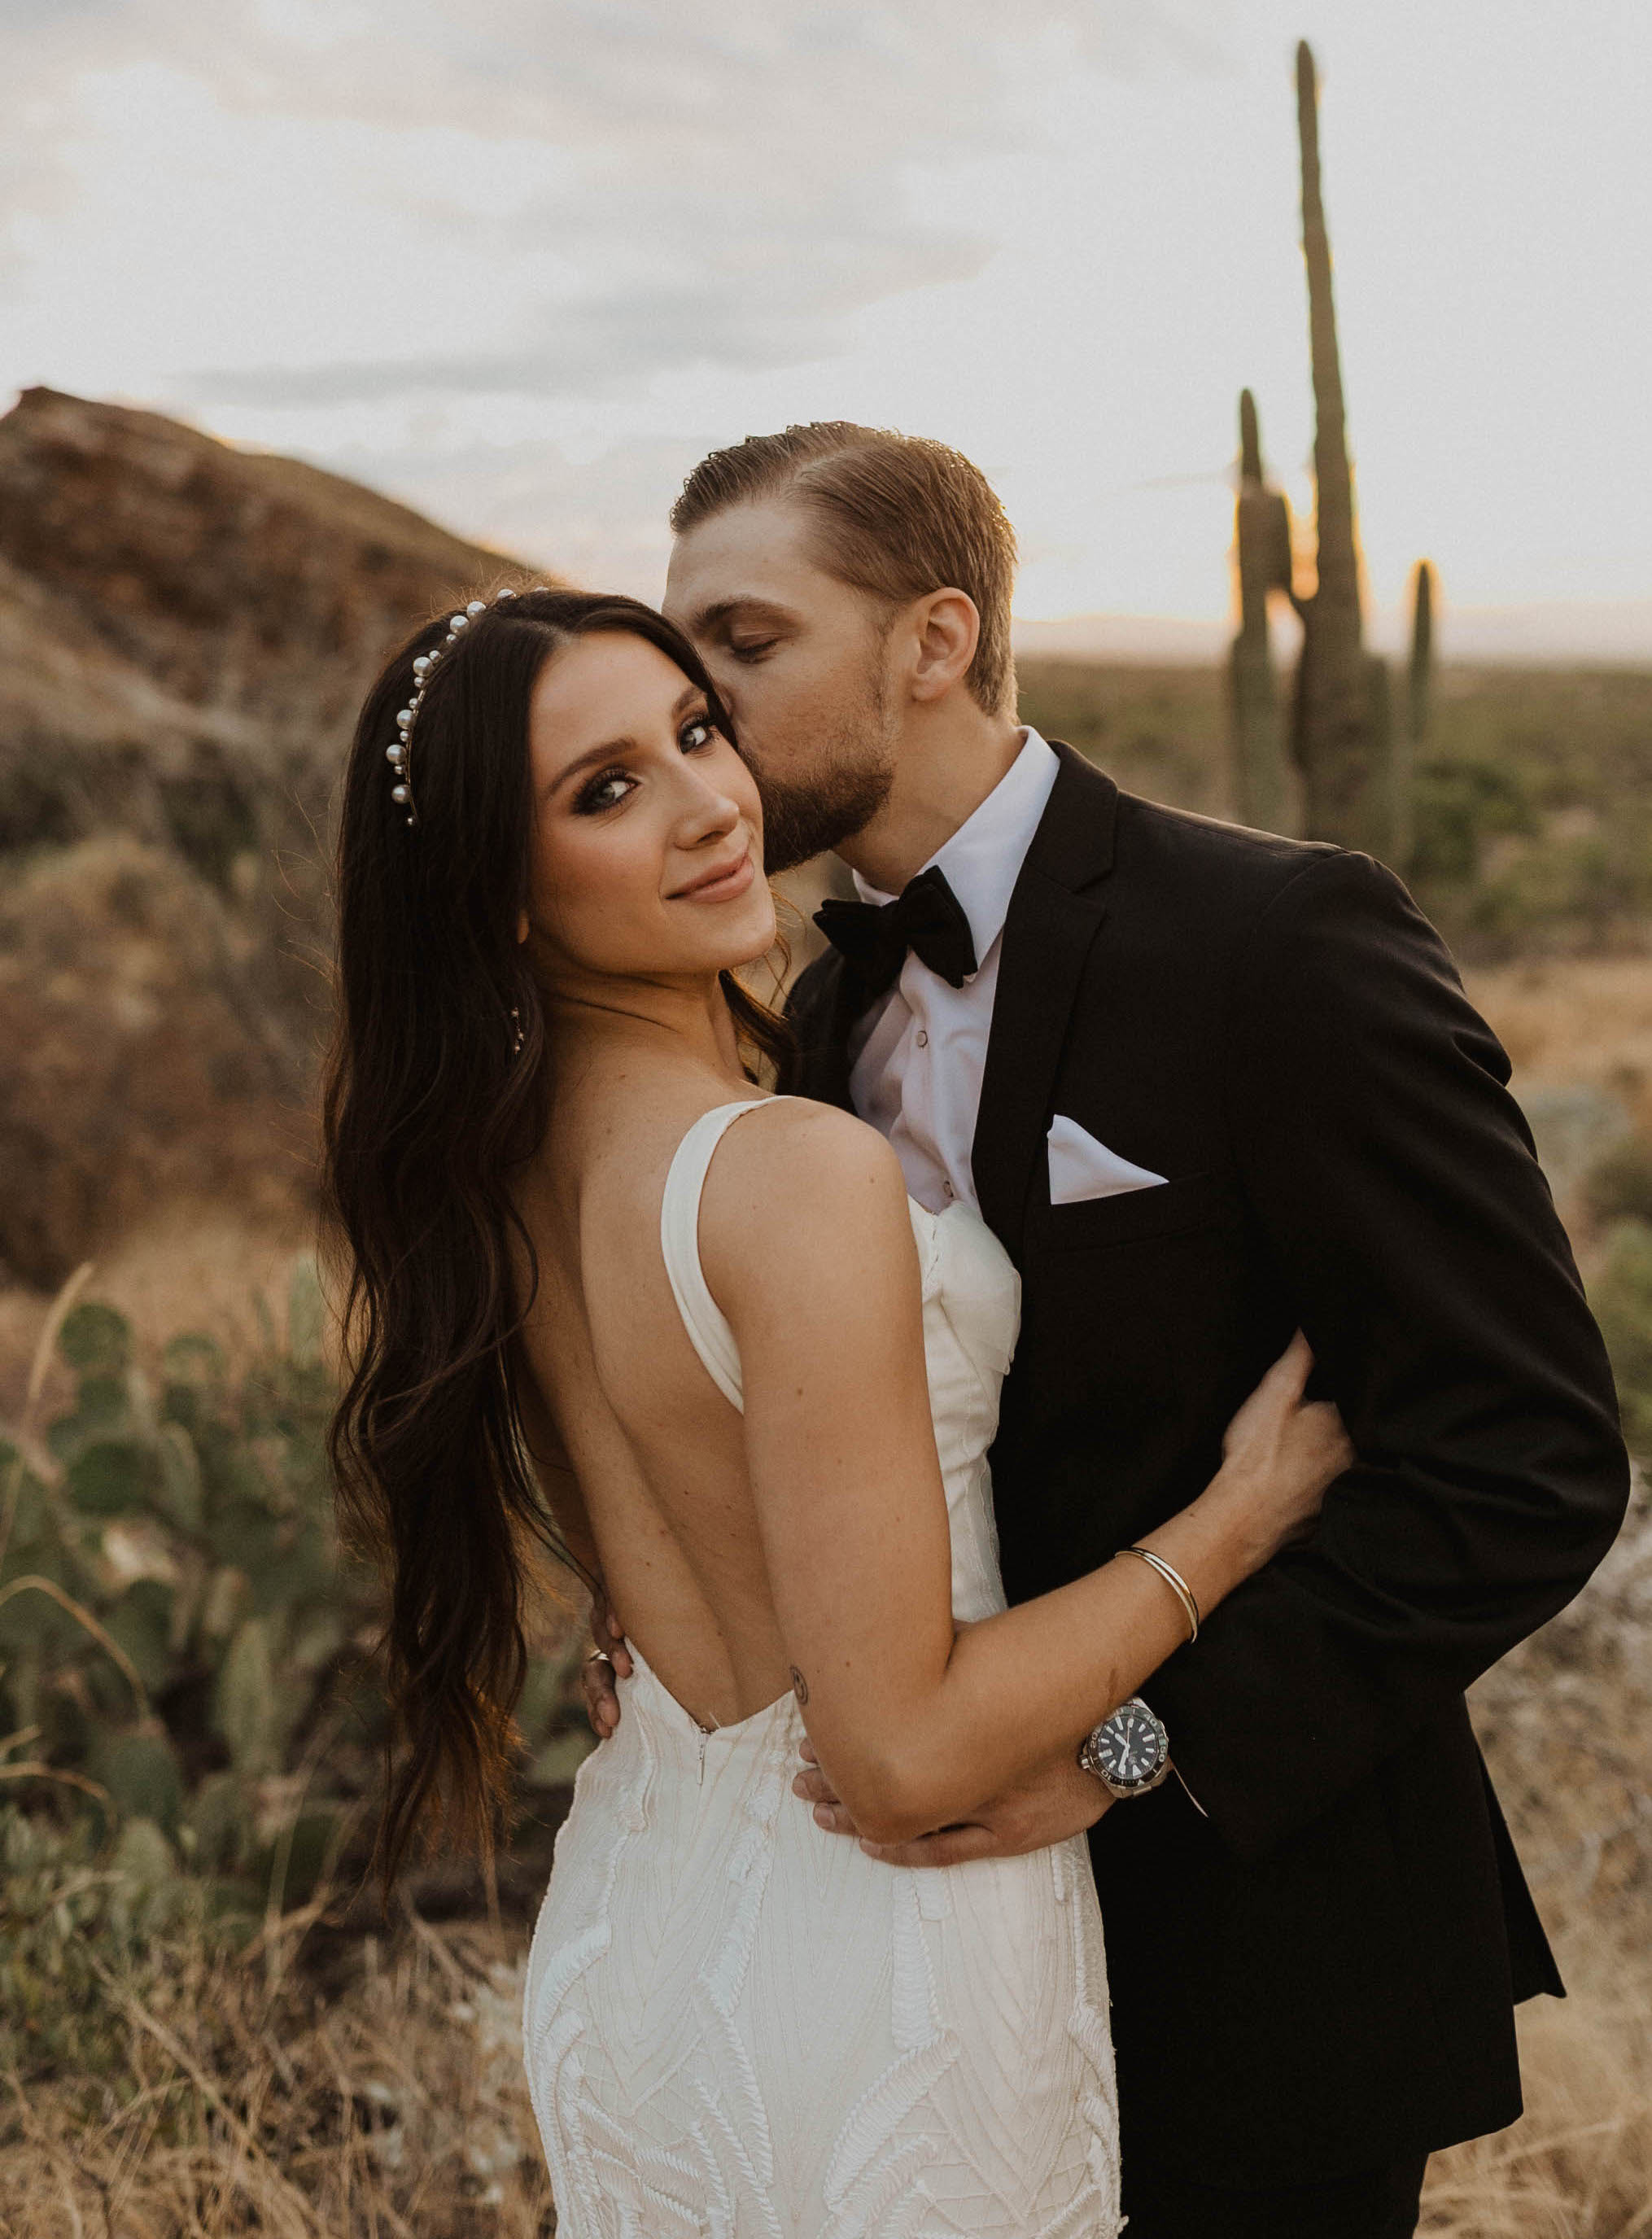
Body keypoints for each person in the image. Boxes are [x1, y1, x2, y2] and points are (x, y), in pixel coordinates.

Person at [592, 422, 1631, 2238]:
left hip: (1258, 1956)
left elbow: (1528, 1455)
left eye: (744, 648)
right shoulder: (819, 1004)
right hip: (930, 1959)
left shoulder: (1279, 941)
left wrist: (1130, 1748)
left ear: (931, 639)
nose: (708, 713)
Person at [321, 584, 1353, 2237]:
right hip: (888, 1958)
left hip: (647, 1922)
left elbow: (698, 1509)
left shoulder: (502, 1175)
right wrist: (1233, 1517)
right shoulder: (788, 1170)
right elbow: (897, 1754)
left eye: (692, 730)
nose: (708, 803)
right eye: (604, 792)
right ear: (497, 895)